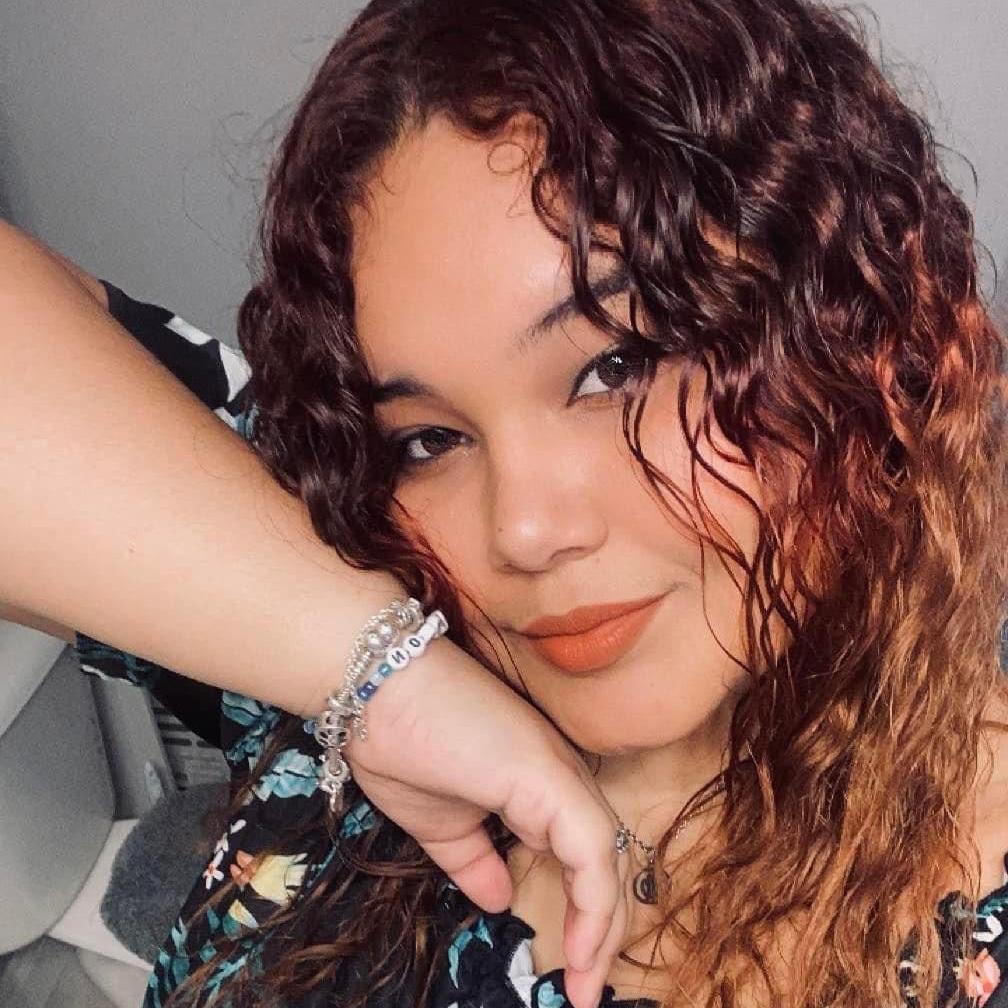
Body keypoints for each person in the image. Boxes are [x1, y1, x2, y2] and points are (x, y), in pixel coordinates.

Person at [4, 1, 1008, 1007]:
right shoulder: (362, 598)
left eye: (617, 367)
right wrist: (379, 677)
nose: (523, 531)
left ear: (847, 327)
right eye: (428, 440)